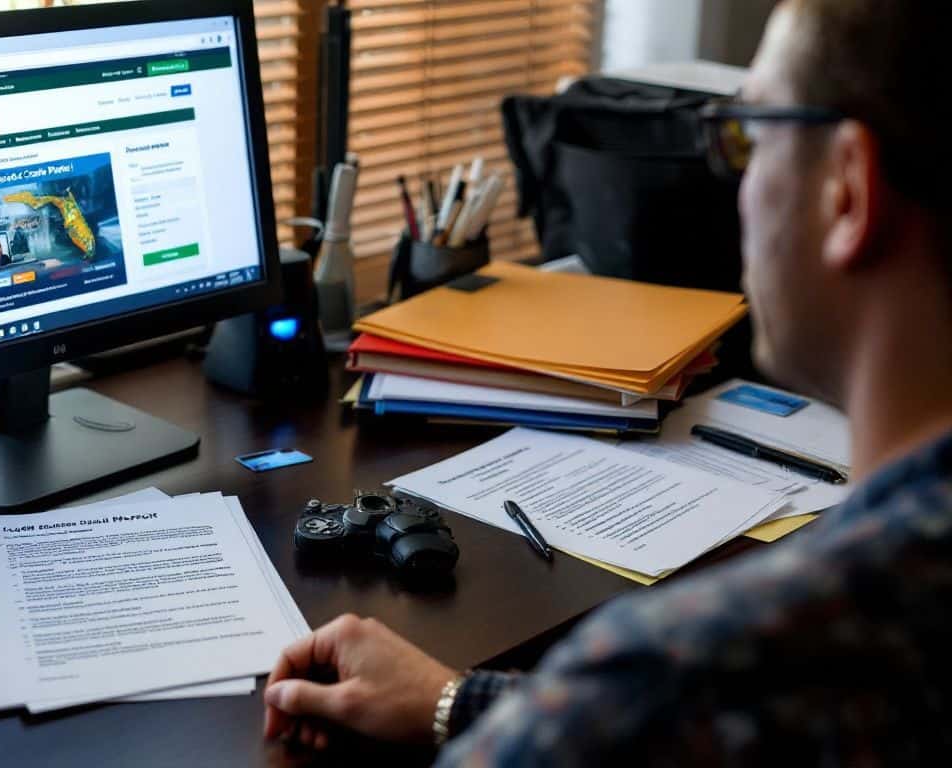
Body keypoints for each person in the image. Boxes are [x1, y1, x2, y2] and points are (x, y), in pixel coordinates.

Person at [263, 1, 952, 763]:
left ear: (846, 190)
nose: (739, 188)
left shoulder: (693, 670)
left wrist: (586, 709)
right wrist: (460, 704)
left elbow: (658, 713)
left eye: (747, 139)